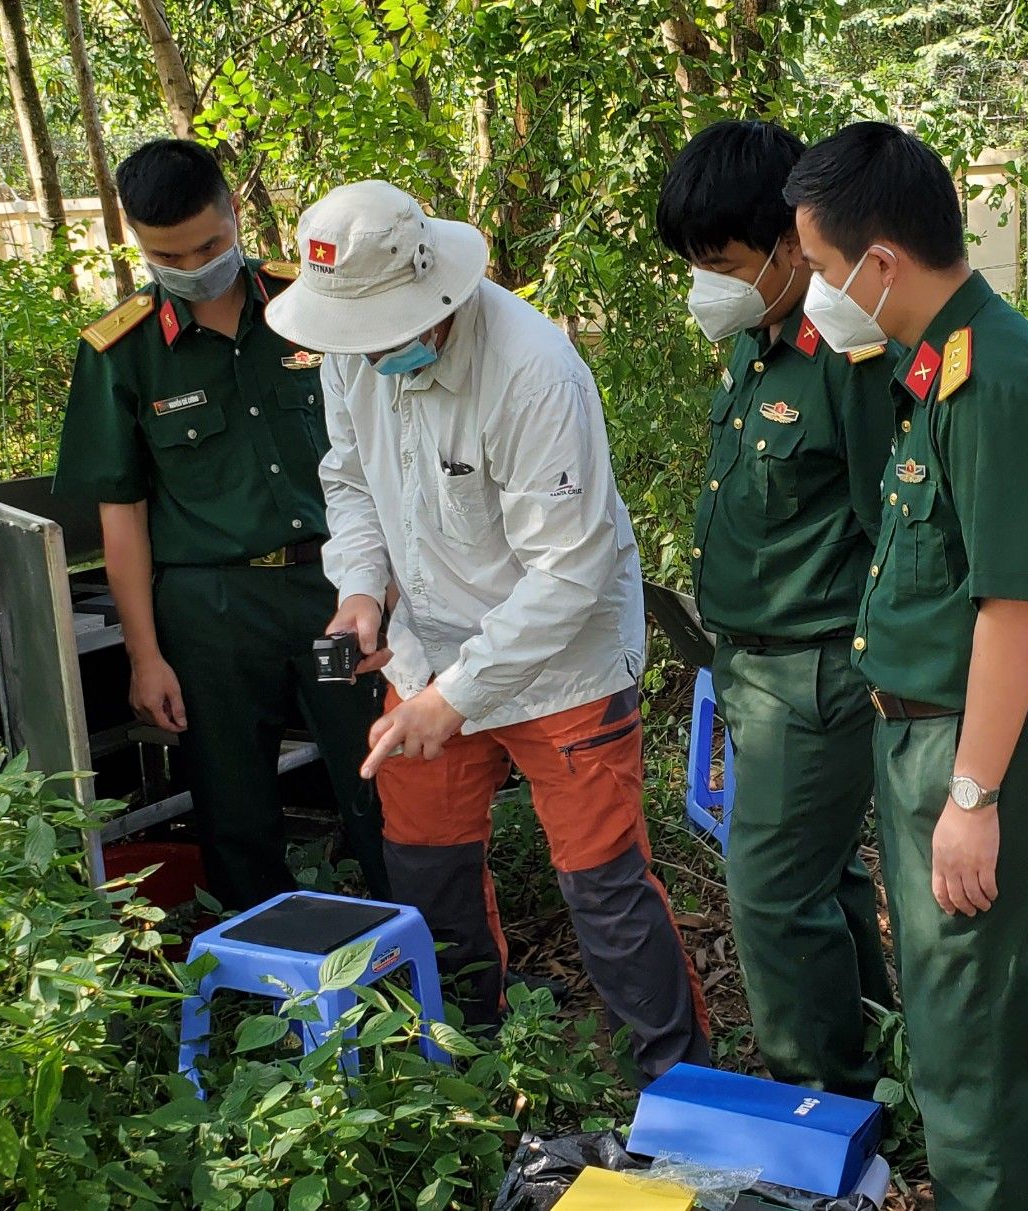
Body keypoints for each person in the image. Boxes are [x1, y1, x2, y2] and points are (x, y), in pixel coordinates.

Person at [263, 179, 709, 1081]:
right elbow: (349, 483)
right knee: (425, 868)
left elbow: (569, 573)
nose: (362, 355)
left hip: (561, 664)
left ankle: (678, 1082)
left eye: (378, 337)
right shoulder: (354, 348)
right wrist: (360, 593)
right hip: (425, 646)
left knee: (604, 887)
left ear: (432, 300)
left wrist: (457, 697)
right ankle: (463, 1062)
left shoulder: (533, 370)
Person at [782, 122, 1028, 1211]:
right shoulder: (939, 363)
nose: (819, 295)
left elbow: (1014, 610)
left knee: (965, 1035)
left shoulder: (992, 377)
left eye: (824, 271)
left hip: (980, 747)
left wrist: (971, 794)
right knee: (952, 1013)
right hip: (938, 736)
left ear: (879, 262)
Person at [53, 138, 384, 913]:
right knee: (234, 804)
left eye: (208, 243)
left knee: (373, 770)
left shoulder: (308, 307)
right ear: (136, 241)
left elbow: (378, 457)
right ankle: (274, 981)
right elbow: (122, 518)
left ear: (235, 212)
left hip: (332, 593)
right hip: (214, 617)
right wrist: (144, 655)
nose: (193, 263)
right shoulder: (122, 352)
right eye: (167, 253)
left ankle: (426, 952)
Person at [654, 119, 898, 1098]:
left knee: (768, 893)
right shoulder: (754, 344)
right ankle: (874, 1072)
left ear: (794, 244)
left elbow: (897, 523)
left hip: (815, 668)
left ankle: (813, 1099)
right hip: (752, 667)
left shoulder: (848, 354)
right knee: (822, 883)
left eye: (722, 260)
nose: (705, 281)